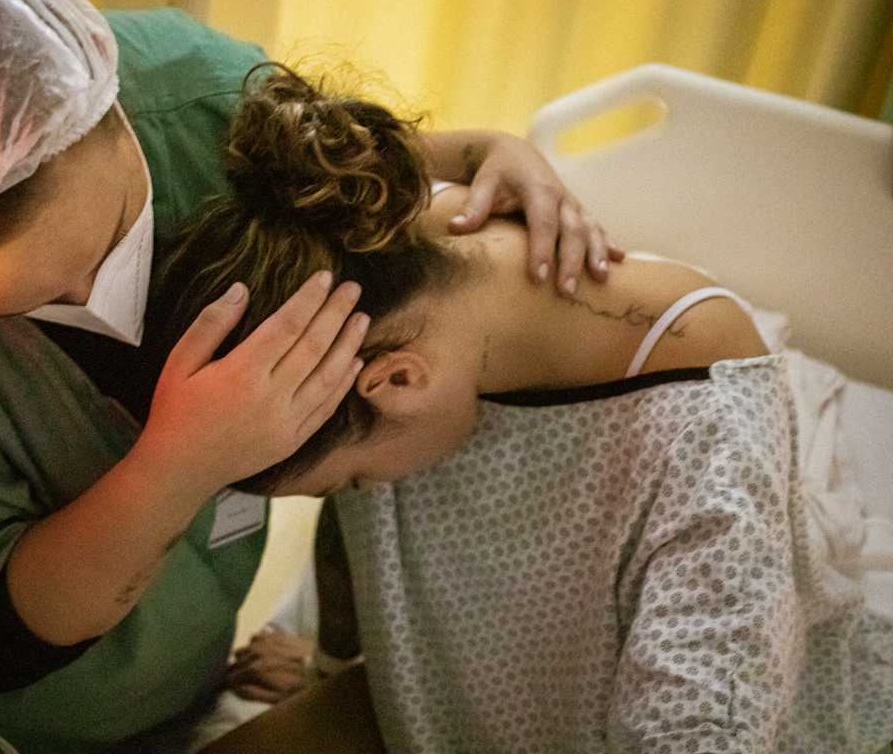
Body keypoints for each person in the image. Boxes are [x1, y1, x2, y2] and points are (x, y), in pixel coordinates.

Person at [0, 0, 613, 751]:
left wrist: (481, 154)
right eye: (28, 304)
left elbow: (334, 185)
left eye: (112, 244)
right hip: (24, 727)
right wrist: (179, 465)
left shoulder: (193, 91)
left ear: (111, 104)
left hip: (202, 653)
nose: (96, 302)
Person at [142, 69, 893, 753]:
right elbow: (352, 535)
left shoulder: (709, 444)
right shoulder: (368, 261)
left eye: (350, 480)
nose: (363, 497)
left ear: (399, 381)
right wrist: (330, 662)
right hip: (443, 685)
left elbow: (703, 728)